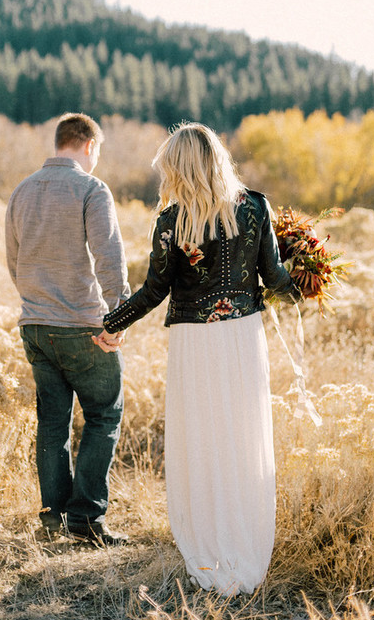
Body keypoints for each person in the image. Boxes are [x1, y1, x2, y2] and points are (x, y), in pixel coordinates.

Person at [94, 122, 302, 593]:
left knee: (202, 439)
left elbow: (154, 290)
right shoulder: (255, 206)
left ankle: (209, 539)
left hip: (194, 341)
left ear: (178, 167)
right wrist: (305, 278)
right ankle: (244, 538)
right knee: (242, 435)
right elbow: (274, 278)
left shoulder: (172, 221)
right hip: (243, 338)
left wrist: (112, 324)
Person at [5, 112, 130, 546]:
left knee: (52, 424)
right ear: (89, 146)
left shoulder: (21, 191)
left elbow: (14, 261)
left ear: (59, 142)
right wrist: (118, 317)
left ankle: (52, 520)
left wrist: (37, 302)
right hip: (84, 326)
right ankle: (86, 520)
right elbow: (109, 258)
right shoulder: (91, 189)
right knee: (103, 414)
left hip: (36, 326)